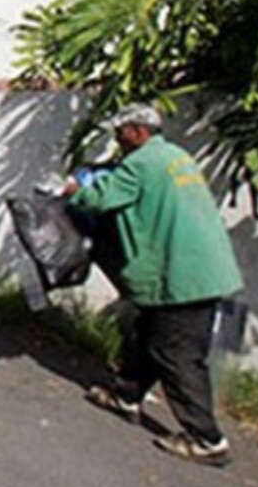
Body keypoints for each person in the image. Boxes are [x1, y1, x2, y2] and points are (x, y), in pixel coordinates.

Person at [64, 103, 244, 467]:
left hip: (182, 273)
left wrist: (73, 191)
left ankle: (206, 438)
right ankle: (126, 395)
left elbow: (102, 197)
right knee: (147, 332)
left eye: (121, 130)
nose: (117, 137)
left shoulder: (141, 162)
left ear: (138, 131)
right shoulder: (176, 157)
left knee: (175, 351)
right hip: (204, 266)